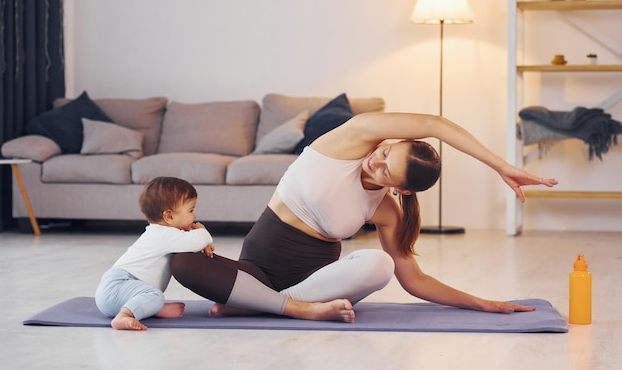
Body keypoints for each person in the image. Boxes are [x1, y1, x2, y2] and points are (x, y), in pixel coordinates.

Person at [170, 112, 558, 323]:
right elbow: (436, 125)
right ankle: (276, 305)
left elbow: (414, 280)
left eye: (388, 172)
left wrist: (481, 304)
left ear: (402, 190)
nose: (377, 161)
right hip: (255, 270)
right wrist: (502, 167)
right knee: (180, 260)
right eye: (387, 152)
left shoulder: (385, 210)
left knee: (378, 263)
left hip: (315, 284)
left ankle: (267, 305)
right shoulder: (353, 137)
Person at [95, 176, 215, 330]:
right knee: (155, 295)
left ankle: (151, 309)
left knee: (153, 295)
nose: (195, 216)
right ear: (169, 216)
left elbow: (192, 244)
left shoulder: (163, 234)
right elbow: (197, 240)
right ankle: (124, 315)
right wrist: (200, 229)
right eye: (191, 210)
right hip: (120, 285)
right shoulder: (163, 234)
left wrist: (202, 244)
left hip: (118, 292)